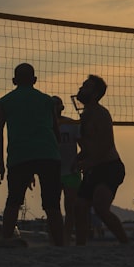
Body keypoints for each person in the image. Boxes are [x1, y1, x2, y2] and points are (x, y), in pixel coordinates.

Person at [0, 63, 64, 246]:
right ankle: (60, 245)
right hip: (48, 154)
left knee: (13, 201)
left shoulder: (4, 102)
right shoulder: (48, 101)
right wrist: (57, 155)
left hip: (20, 156)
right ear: (34, 80)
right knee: (52, 205)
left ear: (14, 80)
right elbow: (56, 132)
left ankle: (6, 240)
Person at [73, 75, 129, 245]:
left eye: (86, 86)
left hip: (110, 167)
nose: (81, 88)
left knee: (100, 207)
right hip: (94, 168)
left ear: (95, 93)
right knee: (80, 207)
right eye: (82, 85)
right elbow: (89, 149)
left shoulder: (101, 114)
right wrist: (76, 160)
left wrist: (86, 162)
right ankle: (81, 246)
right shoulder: (84, 116)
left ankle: (125, 243)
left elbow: (105, 145)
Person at [54, 96, 81, 245]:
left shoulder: (71, 124)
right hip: (53, 172)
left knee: (70, 208)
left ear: (62, 107)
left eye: (57, 104)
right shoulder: (44, 126)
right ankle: (56, 239)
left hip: (71, 171)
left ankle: (66, 238)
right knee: (53, 208)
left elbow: (84, 145)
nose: (54, 107)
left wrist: (81, 161)